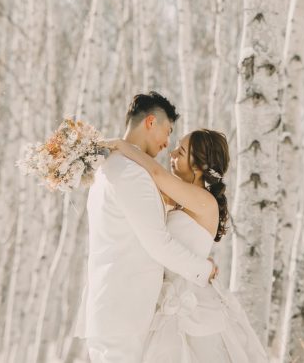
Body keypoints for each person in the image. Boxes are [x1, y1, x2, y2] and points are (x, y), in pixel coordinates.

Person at [74, 92, 217, 363]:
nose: (168, 143)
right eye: (169, 130)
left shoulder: (108, 168)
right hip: (123, 312)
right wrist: (204, 269)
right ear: (151, 122)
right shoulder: (130, 173)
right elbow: (158, 244)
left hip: (115, 309)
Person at [105, 127, 268, 362]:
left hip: (192, 304)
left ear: (199, 165)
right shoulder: (181, 200)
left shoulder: (204, 200)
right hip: (166, 296)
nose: (172, 153)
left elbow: (157, 174)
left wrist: (123, 145)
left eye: (180, 151)